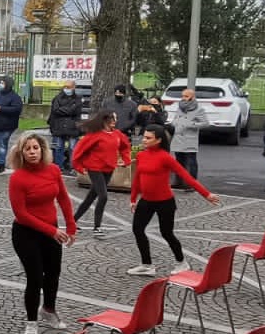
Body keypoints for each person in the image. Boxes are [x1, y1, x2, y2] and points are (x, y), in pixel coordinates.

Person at [8, 134, 77, 334]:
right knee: (35, 277)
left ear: (42, 149)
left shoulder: (54, 170)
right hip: (26, 233)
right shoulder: (17, 178)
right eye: (27, 149)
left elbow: (63, 198)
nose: (32, 152)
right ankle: (31, 322)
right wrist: (51, 231)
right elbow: (21, 213)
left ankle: (48, 309)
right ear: (21, 153)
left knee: (53, 273)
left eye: (35, 148)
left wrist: (71, 225)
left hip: (51, 231)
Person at [128, 124, 218, 274]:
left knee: (167, 233)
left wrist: (206, 194)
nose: (144, 140)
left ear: (158, 140)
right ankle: (147, 265)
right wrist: (133, 198)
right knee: (137, 229)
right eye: (144, 136)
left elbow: (186, 176)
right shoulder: (141, 155)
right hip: (146, 201)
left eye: (148, 138)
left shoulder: (165, 158)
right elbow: (138, 177)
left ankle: (182, 262)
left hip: (165, 202)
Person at [72, 111, 130, 236]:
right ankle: (97, 227)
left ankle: (73, 221)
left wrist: (126, 160)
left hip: (109, 169)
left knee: (91, 197)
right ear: (104, 120)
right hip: (95, 168)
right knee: (103, 196)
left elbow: (125, 146)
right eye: (112, 118)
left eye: (115, 118)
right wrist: (79, 167)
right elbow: (79, 151)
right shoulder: (94, 135)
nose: (115, 121)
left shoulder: (117, 134)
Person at [169, 88, 207, 185]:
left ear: (192, 97)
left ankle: (193, 183)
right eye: (182, 96)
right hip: (178, 138)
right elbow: (175, 119)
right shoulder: (180, 108)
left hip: (189, 139)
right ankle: (178, 181)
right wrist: (175, 123)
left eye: (186, 96)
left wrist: (191, 124)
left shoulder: (199, 109)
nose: (183, 98)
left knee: (191, 161)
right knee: (178, 162)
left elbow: (205, 123)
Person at [46, 81, 87, 171]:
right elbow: (55, 110)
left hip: (72, 127)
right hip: (59, 126)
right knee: (58, 147)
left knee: (73, 148)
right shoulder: (57, 98)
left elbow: (76, 110)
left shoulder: (78, 99)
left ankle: (73, 167)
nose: (67, 89)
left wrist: (63, 110)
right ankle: (58, 167)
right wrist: (69, 109)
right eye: (65, 87)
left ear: (74, 87)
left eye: (69, 87)